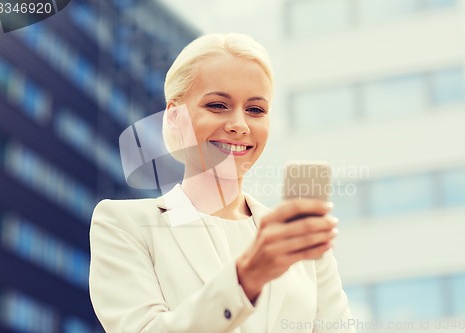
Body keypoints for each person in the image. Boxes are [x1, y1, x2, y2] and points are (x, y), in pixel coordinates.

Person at [89, 33, 354, 333]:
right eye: (217, 105)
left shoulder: (299, 241)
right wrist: (247, 277)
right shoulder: (124, 224)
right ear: (175, 117)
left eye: (255, 110)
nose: (239, 125)